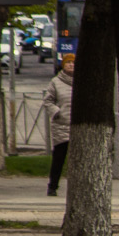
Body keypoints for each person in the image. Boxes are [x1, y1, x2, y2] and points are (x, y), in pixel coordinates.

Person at [42, 58, 74, 196]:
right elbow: (48, 101)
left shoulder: (83, 80)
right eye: (68, 63)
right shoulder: (56, 82)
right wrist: (57, 112)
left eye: (73, 63)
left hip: (78, 126)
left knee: (79, 160)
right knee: (59, 158)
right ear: (63, 65)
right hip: (62, 125)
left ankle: (78, 186)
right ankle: (52, 186)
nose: (71, 65)